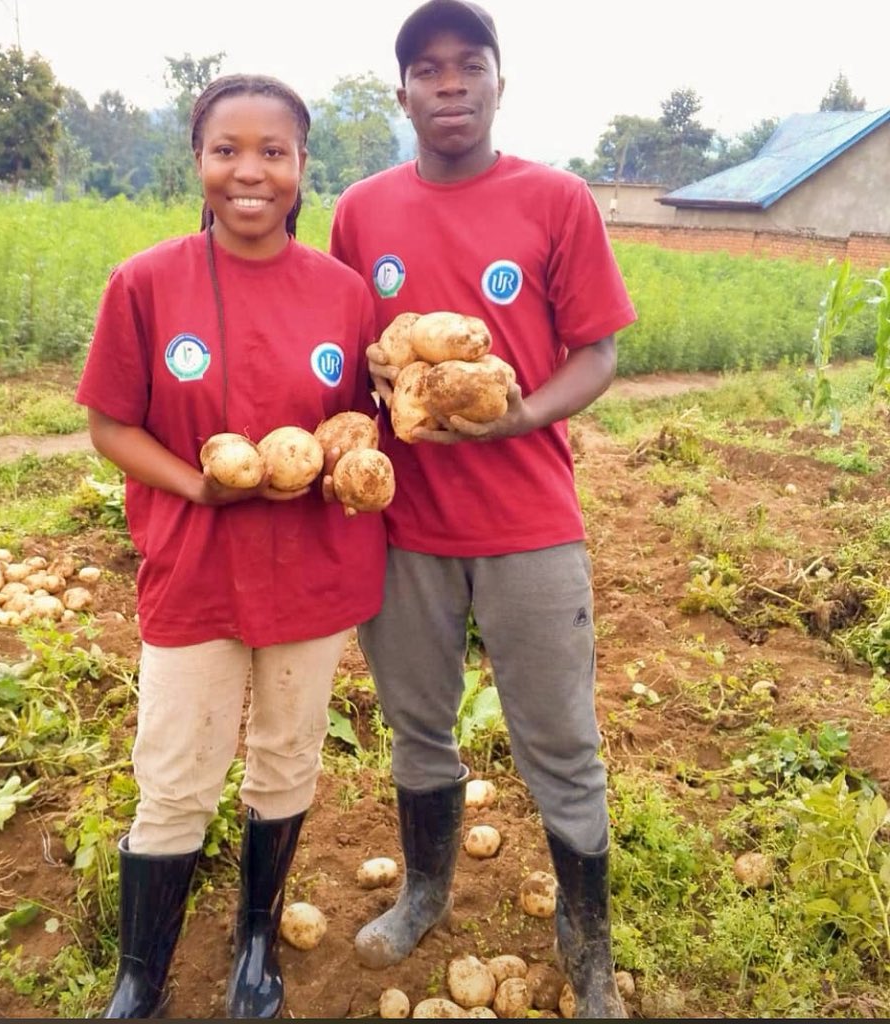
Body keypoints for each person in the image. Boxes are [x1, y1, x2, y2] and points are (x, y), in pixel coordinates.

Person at [328, 1, 637, 1017]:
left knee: (558, 740)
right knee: (416, 728)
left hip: (529, 524)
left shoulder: (555, 200)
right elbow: (347, 348)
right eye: (428, 68)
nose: (449, 82)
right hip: (405, 529)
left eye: (469, 65)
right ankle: (423, 891)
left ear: (501, 81)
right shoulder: (362, 210)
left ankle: (584, 947)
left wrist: (519, 418)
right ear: (403, 93)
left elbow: (596, 349)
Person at [75, 73, 386, 1020]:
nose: (249, 172)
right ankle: (143, 974)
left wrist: (347, 459)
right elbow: (109, 425)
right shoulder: (146, 281)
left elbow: (359, 428)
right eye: (227, 150)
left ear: (301, 166)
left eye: (274, 152)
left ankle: (257, 944)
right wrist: (196, 484)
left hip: (310, 576)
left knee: (287, 759)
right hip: (194, 567)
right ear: (199, 160)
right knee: (175, 776)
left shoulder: (341, 294)